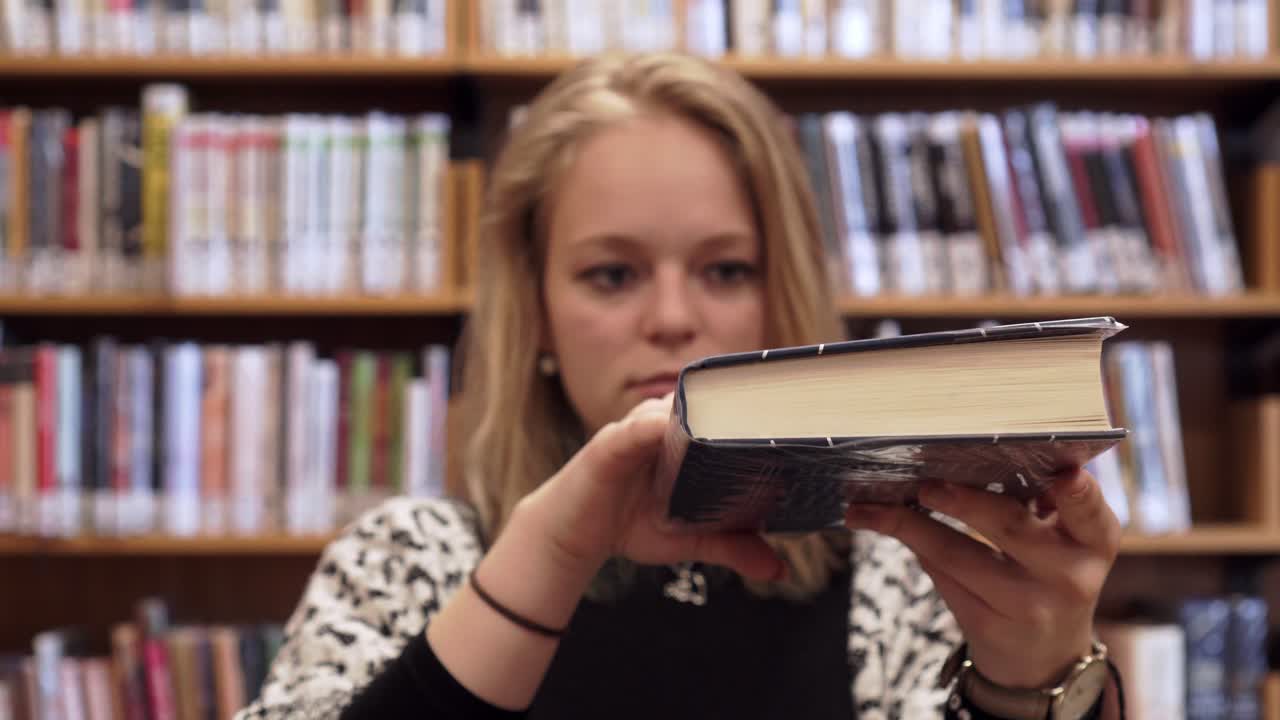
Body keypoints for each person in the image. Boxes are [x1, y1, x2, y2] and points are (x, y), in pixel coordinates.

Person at [236, 52, 1124, 720]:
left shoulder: (907, 571)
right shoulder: (403, 563)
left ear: (784, 298)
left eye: (728, 270)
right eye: (612, 276)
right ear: (536, 315)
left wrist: (1030, 682)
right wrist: (542, 562)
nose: (671, 317)